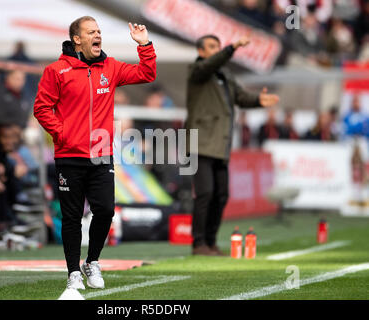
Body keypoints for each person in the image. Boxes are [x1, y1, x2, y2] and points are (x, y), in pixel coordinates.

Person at [34, 16, 156, 292]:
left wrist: (145, 44)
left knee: (105, 210)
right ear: (77, 39)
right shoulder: (57, 71)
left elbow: (147, 74)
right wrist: (63, 133)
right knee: (72, 217)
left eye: (99, 31)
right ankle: (73, 272)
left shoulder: (110, 67)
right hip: (69, 156)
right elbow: (42, 108)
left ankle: (93, 261)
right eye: (91, 32)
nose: (97, 35)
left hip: (101, 154)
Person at [185, 34, 279, 256]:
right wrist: (231, 48)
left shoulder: (225, 75)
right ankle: (198, 243)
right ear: (201, 52)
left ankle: (210, 241)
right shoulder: (197, 71)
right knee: (205, 193)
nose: (217, 50)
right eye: (212, 47)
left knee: (221, 195)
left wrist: (257, 100)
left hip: (221, 144)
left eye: (218, 46)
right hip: (199, 142)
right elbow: (210, 64)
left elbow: (241, 97)